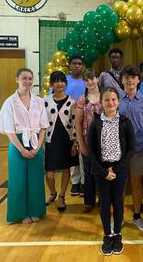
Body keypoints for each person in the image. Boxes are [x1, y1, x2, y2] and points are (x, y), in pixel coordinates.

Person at [0, 68, 48, 224]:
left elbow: (43, 127)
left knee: (36, 179)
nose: (27, 81)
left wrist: (38, 147)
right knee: (18, 180)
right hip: (17, 143)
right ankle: (20, 213)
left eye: (30, 78)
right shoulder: (10, 102)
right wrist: (22, 149)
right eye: (24, 78)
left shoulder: (39, 101)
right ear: (17, 79)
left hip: (35, 142)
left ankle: (35, 210)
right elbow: (9, 131)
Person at [88, 87, 135, 256]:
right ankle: (108, 234)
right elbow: (91, 150)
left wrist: (115, 168)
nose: (110, 102)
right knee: (105, 202)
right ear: (102, 102)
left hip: (120, 169)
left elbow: (131, 148)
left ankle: (118, 234)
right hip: (101, 171)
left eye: (114, 99)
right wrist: (103, 171)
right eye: (107, 99)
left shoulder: (124, 121)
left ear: (119, 101)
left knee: (118, 202)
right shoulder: (96, 123)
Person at [119, 65, 143, 233]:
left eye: (133, 77)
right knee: (119, 185)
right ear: (122, 80)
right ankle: (119, 217)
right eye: (127, 77)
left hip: (139, 150)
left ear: (138, 80)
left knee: (136, 184)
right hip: (118, 151)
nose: (130, 80)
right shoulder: (115, 99)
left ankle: (136, 216)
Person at [44, 71, 79, 212]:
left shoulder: (72, 102)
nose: (60, 84)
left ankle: (62, 196)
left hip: (66, 139)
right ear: (52, 84)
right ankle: (52, 193)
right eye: (56, 81)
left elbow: (75, 122)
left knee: (66, 169)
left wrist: (75, 142)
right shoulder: (45, 101)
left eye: (62, 81)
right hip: (50, 139)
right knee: (49, 173)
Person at [75, 69, 102, 213]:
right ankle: (89, 200)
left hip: (103, 140)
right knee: (88, 170)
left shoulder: (106, 97)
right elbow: (78, 124)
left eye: (92, 78)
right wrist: (81, 143)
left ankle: (103, 199)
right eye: (87, 80)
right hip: (87, 140)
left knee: (102, 170)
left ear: (97, 79)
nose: (90, 82)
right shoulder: (82, 100)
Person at [65, 55, 87, 197]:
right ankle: (75, 182)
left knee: (83, 152)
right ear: (69, 65)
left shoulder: (87, 81)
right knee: (72, 151)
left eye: (80, 63)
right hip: (68, 120)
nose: (77, 66)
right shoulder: (64, 80)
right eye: (74, 63)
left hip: (85, 119)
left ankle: (85, 182)